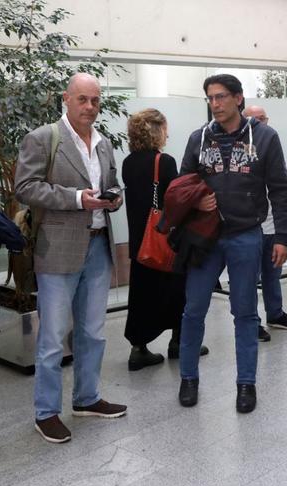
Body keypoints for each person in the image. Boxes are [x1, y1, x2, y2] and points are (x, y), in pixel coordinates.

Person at [15, 73, 127, 444]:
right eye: (82, 100)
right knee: (51, 337)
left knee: (93, 331)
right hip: (58, 248)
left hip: (98, 245)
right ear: (66, 99)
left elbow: (111, 182)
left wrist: (114, 197)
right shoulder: (44, 138)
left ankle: (87, 398)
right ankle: (46, 412)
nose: (90, 107)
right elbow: (26, 188)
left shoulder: (105, 143)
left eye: (95, 100)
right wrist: (78, 198)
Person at [177, 74, 287, 413]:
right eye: (211, 98)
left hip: (245, 235)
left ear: (239, 98)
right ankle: (188, 378)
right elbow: (183, 185)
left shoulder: (266, 137)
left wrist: (283, 236)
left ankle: (246, 385)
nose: (216, 104)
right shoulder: (198, 138)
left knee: (244, 313)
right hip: (204, 238)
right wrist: (196, 203)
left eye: (222, 97)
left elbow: (280, 189)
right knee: (193, 310)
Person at [121, 108, 208, 370]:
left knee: (141, 293)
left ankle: (138, 349)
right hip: (163, 239)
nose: (168, 133)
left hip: (140, 242)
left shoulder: (128, 162)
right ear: (156, 130)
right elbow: (175, 201)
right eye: (165, 128)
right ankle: (178, 342)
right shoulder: (164, 162)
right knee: (176, 289)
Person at [241, 105, 287, 343]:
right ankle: (251, 322)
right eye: (253, 120)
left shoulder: (272, 144)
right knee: (248, 279)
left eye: (262, 118)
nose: (260, 123)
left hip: (273, 226)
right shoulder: (240, 150)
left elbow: (281, 187)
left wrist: (284, 229)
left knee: (273, 274)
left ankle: (275, 314)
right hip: (251, 228)